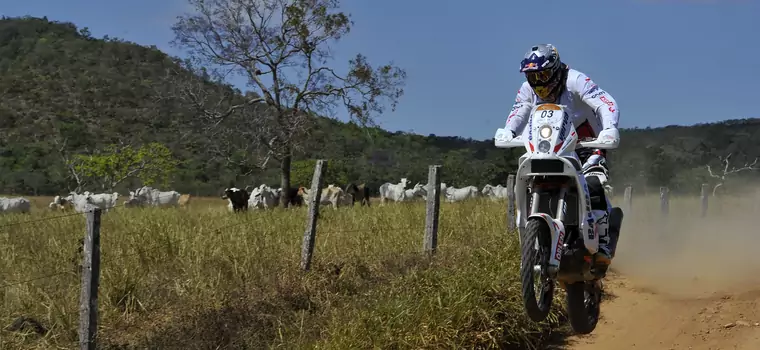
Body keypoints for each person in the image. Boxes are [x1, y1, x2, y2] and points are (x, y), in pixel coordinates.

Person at [498, 43, 621, 267]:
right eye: (532, 77)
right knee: (530, 181)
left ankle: (603, 242)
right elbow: (519, 111)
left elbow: (606, 102)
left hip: (586, 144)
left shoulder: (575, 80)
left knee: (593, 182)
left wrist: (609, 128)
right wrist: (509, 131)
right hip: (547, 147)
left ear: (555, 70)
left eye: (543, 75)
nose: (538, 83)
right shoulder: (527, 89)